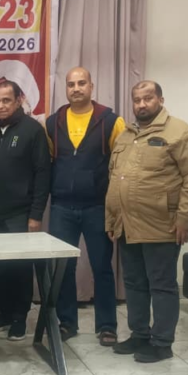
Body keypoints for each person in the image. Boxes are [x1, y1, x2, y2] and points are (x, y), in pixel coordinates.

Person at [105, 81, 188, 363]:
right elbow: (115, 179)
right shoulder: (126, 135)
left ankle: (162, 342)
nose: (141, 104)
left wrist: (186, 217)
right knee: (134, 283)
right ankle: (139, 334)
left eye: (148, 98)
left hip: (162, 224)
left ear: (160, 100)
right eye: (137, 99)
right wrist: (112, 218)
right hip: (127, 224)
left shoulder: (180, 132)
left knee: (161, 284)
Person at [45, 67, 126, 344]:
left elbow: (121, 164)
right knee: (63, 268)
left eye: (81, 83)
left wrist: (116, 207)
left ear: (91, 86)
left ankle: (107, 326)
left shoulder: (111, 121)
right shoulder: (52, 123)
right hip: (62, 207)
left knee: (102, 267)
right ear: (66, 89)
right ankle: (67, 323)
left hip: (97, 207)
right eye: (71, 84)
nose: (76, 88)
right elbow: (50, 161)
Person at [0, 80, 50, 340]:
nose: (0, 105)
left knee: (19, 267)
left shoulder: (32, 130)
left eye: (6, 100)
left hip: (20, 214)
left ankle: (20, 317)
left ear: (19, 100)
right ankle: (5, 314)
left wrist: (35, 215)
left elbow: (43, 174)